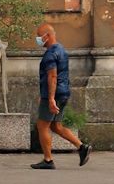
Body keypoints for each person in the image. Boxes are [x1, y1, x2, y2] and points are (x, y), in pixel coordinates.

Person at [32, 21, 91, 169]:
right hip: (63, 92)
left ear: (48, 36)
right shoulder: (62, 50)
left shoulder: (50, 54)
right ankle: (81, 147)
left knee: (42, 125)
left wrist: (50, 98)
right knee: (56, 125)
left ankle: (48, 160)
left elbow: (52, 76)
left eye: (39, 36)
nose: (38, 39)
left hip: (54, 94)